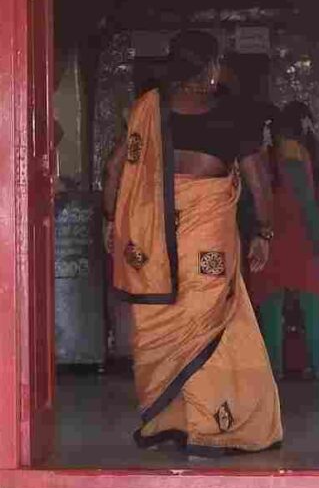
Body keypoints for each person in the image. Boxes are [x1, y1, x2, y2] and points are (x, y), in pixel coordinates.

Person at [102, 29, 282, 456]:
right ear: (214, 68)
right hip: (209, 251)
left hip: (151, 246)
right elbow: (259, 184)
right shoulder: (235, 115)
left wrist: (112, 221)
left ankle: (167, 423)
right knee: (210, 328)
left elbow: (114, 173)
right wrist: (264, 232)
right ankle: (212, 428)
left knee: (160, 325)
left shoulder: (148, 110)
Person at [249, 101, 319, 380]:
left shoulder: (263, 155)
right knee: (312, 306)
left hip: (270, 237)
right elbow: (306, 202)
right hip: (301, 239)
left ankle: (274, 369)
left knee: (271, 306)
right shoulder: (298, 154)